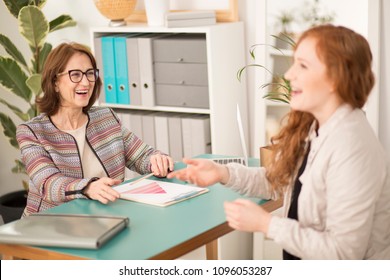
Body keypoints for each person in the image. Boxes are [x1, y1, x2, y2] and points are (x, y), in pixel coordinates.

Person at [167, 24, 390, 260]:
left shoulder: (353, 148)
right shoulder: (316, 128)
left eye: (302, 65)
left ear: (336, 78)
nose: (288, 75)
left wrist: (267, 224)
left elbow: (343, 254)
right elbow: (278, 182)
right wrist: (222, 173)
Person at [16, 42, 174, 216]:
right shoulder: (32, 132)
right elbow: (48, 184)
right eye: (75, 74)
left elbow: (141, 156)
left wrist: (157, 160)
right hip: (50, 226)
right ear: (55, 83)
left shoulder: (106, 118)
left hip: (106, 219)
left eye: (90, 73)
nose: (85, 82)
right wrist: (87, 187)